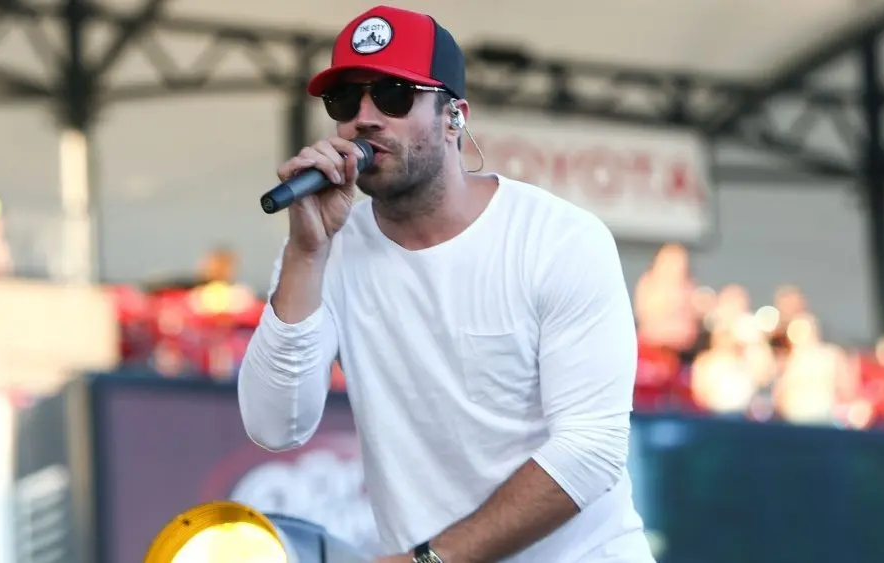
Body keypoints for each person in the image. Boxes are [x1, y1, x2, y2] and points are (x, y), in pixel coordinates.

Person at [238, 5, 654, 563]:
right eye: (345, 100)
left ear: (454, 116)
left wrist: (431, 560)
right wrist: (305, 254)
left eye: (393, 94)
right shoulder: (321, 250)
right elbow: (274, 426)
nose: (364, 117)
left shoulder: (559, 240)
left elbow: (592, 451)